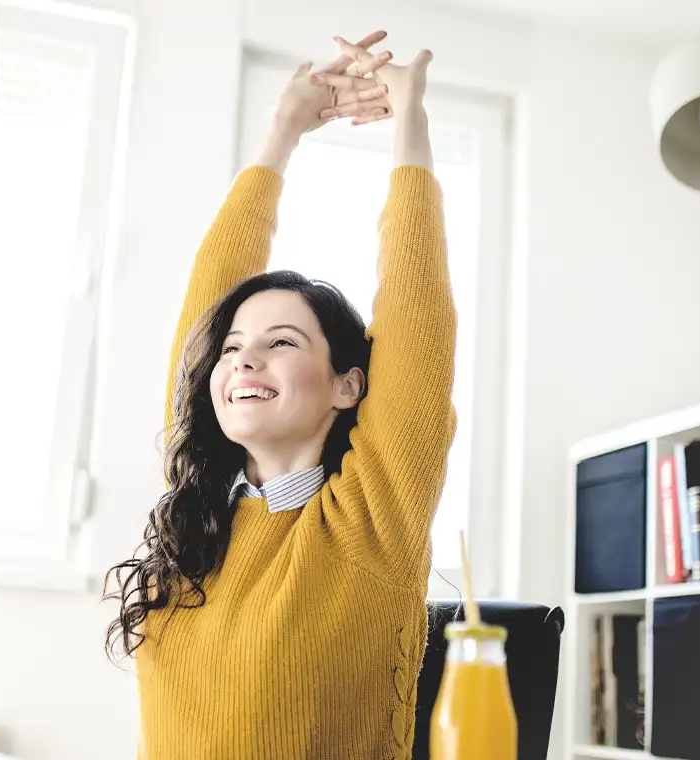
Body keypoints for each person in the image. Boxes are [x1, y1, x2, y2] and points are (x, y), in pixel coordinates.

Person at [104, 30, 457, 759]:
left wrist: (411, 119)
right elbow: (211, 302)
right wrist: (282, 131)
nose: (243, 361)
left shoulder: (369, 520)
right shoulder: (198, 511)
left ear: (347, 384)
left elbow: (418, 316)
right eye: (233, 349)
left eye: (282, 343)